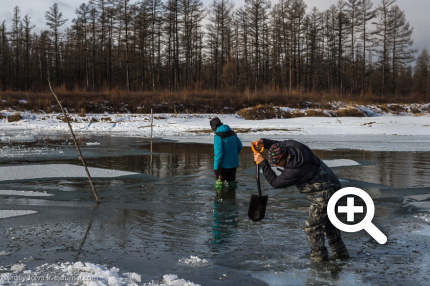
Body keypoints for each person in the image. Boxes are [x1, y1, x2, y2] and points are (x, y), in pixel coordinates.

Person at [252, 138, 349, 261]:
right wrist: (264, 143)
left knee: (312, 226)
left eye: (277, 162)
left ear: (285, 156)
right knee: (328, 225)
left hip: (324, 193)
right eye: (273, 163)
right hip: (333, 184)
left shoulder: (295, 169)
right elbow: (278, 145)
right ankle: (342, 255)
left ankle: (319, 261)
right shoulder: (292, 145)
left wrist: (263, 164)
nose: (275, 166)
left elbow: (275, 183)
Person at [210, 117, 242, 190]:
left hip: (223, 167)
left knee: (219, 186)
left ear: (214, 127)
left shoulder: (218, 136)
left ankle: (218, 199)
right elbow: (239, 145)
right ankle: (232, 199)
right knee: (232, 184)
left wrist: (216, 168)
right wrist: (234, 156)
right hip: (233, 165)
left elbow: (218, 153)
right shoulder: (232, 132)